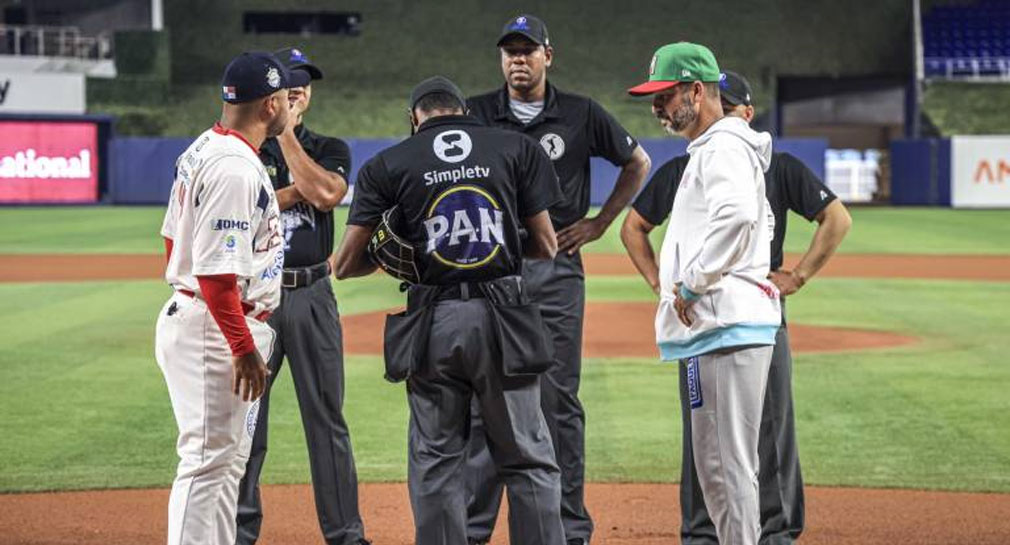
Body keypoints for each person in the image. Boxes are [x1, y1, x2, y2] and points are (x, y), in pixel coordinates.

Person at [333, 76, 567, 545]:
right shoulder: (515, 148)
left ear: (413, 118)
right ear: (464, 111)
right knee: (527, 456)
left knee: (436, 461)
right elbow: (546, 246)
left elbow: (343, 264)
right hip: (505, 317)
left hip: (434, 322)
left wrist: (407, 253)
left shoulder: (388, 164)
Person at [621, 70, 852, 544]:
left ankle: (776, 532)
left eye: (731, 106)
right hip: (713, 318)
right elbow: (634, 226)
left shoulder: (749, 157)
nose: (725, 114)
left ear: (744, 112)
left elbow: (829, 218)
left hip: (738, 314)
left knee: (754, 440)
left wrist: (796, 276)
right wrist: (666, 285)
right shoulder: (693, 162)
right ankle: (704, 533)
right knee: (713, 447)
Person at [464, 14, 652, 545]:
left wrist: (600, 222)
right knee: (483, 400)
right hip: (492, 269)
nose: (517, 60)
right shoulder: (476, 113)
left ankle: (570, 529)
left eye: (527, 50)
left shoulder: (581, 113)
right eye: (509, 52)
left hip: (555, 271)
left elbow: (636, 162)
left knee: (558, 401)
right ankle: (474, 529)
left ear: (549, 55)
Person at [626, 43, 783, 545]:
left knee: (726, 467)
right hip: (718, 328)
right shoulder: (719, 147)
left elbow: (736, 217)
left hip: (724, 325)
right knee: (718, 468)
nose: (657, 107)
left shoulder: (723, 146)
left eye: (666, 95)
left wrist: (693, 282)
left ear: (698, 90)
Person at [155, 50, 305, 545]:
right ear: (269, 106)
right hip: (217, 327)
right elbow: (217, 275)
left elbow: (175, 240)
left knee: (222, 465)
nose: (289, 105)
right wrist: (242, 348)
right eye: (284, 97)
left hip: (209, 319)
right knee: (207, 465)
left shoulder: (205, 147)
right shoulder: (234, 168)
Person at [235, 47, 370, 545]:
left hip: (312, 293)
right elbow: (240, 208)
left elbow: (329, 194)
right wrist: (296, 191)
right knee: (247, 423)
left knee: (327, 421)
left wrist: (287, 134)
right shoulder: (242, 151)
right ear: (270, 93)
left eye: (305, 82)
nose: (299, 88)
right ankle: (239, 531)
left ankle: (346, 535)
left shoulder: (330, 147)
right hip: (258, 300)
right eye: (289, 81)